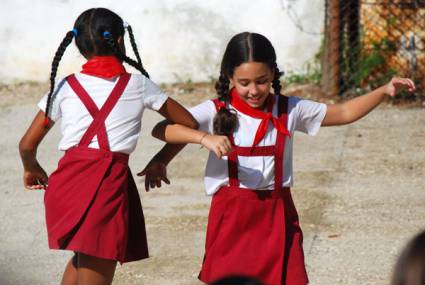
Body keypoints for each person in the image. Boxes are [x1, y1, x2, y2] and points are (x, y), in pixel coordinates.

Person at [142, 32, 416, 285]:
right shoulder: (216, 110)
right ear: (229, 77)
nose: (254, 90)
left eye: (262, 81)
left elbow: (343, 112)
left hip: (277, 214)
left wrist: (383, 91)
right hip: (232, 218)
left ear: (273, 73)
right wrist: (203, 138)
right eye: (244, 83)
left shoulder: (289, 109)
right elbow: (162, 129)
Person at [18, 8, 230, 285]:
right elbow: (188, 123)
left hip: (66, 188)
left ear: (78, 45)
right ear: (119, 42)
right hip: (105, 186)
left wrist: (31, 168)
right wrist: (161, 158)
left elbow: (26, 145)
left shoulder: (65, 87)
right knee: (94, 263)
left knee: (82, 258)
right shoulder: (139, 85)